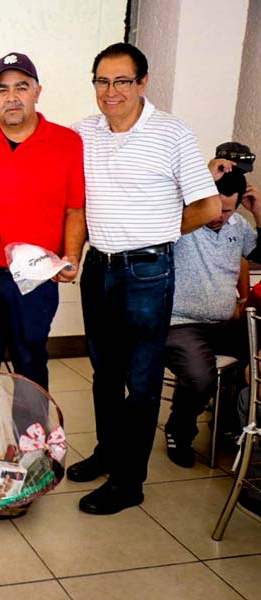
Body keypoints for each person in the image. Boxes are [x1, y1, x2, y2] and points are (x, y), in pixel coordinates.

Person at [62, 43, 221, 514]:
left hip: (148, 271)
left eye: (122, 81)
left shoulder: (172, 132)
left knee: (142, 379)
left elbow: (208, 206)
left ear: (143, 83)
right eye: (102, 82)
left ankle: (129, 482)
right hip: (99, 267)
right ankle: (108, 453)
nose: (111, 92)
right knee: (104, 374)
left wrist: (156, 234)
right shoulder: (82, 133)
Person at [0, 52, 86, 391]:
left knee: (31, 358)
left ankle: (32, 437)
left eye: (21, 87)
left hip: (37, 276)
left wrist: (72, 256)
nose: (12, 97)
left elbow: (74, 210)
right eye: (2, 89)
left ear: (38, 91)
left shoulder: (67, 142)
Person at [164, 158, 260, 467]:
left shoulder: (239, 226)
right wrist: (203, 178)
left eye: (227, 210)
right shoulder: (183, 220)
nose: (218, 217)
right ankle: (179, 431)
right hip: (181, 324)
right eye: (213, 207)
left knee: (256, 359)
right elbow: (165, 210)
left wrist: (257, 212)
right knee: (199, 378)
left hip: (223, 323)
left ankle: (232, 425)